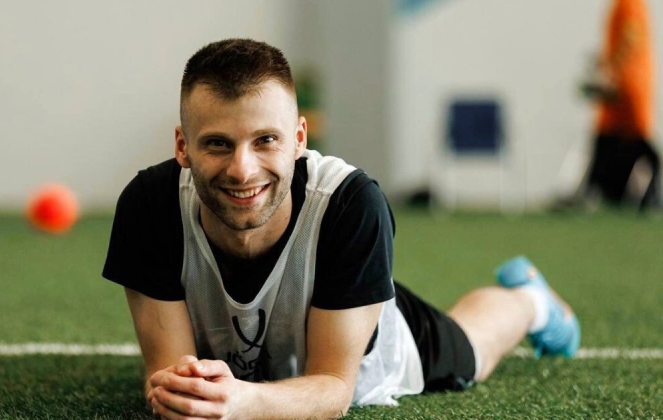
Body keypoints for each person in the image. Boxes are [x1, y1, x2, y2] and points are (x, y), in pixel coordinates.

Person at [102, 38, 581, 419]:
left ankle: (531, 302)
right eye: (218, 144)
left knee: (473, 350)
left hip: (361, 351)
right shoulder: (149, 206)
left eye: (265, 140)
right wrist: (185, 397)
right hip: (244, 371)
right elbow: (168, 377)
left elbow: (334, 389)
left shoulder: (350, 205)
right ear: (182, 147)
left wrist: (241, 402)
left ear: (299, 139)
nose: (242, 170)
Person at [579, 0, 659, 211]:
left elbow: (630, 41)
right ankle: (603, 189)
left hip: (627, 89)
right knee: (612, 139)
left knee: (630, 140)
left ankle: (647, 194)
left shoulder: (629, 4)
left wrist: (611, 73)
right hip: (626, 87)